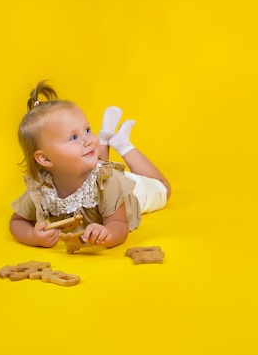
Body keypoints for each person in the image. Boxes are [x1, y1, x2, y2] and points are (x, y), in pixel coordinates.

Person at [9, 80, 171, 250]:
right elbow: (17, 221)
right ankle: (105, 137)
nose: (87, 140)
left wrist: (107, 233)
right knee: (93, 158)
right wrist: (32, 236)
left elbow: (119, 224)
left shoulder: (108, 182)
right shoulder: (41, 187)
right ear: (45, 159)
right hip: (95, 171)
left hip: (131, 193)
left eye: (87, 130)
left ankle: (123, 145)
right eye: (73, 137)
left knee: (165, 189)